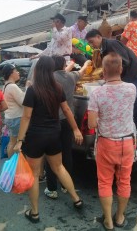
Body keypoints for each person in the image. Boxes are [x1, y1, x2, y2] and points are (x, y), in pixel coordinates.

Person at [13, 56, 84, 224]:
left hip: (35, 137)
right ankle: (76, 199)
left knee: (35, 174)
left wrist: (20, 140)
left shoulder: (33, 89)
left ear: (37, 70)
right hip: (54, 134)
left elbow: (27, 116)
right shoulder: (57, 87)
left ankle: (35, 213)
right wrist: (75, 129)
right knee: (59, 168)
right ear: (52, 70)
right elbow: (66, 110)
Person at [88, 52, 137, 230]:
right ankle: (120, 217)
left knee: (104, 182)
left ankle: (108, 220)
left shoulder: (97, 93)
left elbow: (92, 123)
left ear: (103, 71)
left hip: (106, 143)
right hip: (127, 143)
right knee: (124, 181)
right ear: (121, 69)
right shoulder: (131, 88)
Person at [44, 55, 91, 199]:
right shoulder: (71, 77)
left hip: (51, 122)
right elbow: (82, 71)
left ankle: (51, 188)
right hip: (67, 120)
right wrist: (87, 62)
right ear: (63, 65)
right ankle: (66, 185)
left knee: (51, 155)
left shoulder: (48, 79)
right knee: (67, 153)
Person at [2, 64, 25, 157]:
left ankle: (11, 163)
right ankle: (13, 164)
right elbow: (23, 102)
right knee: (15, 142)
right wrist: (27, 88)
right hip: (16, 118)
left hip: (10, 117)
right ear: (11, 73)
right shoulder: (12, 87)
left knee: (12, 141)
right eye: (16, 71)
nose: (18, 72)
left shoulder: (6, 85)